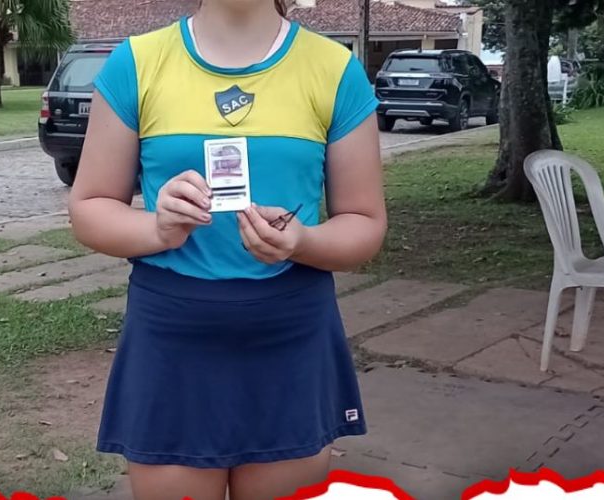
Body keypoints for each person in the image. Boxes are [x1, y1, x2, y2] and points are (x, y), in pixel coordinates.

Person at [68, 0, 386, 497]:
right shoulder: (137, 63)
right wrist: (159, 229)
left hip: (290, 335)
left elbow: (364, 223)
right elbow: (89, 208)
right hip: (172, 339)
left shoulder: (334, 69)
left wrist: (301, 240)